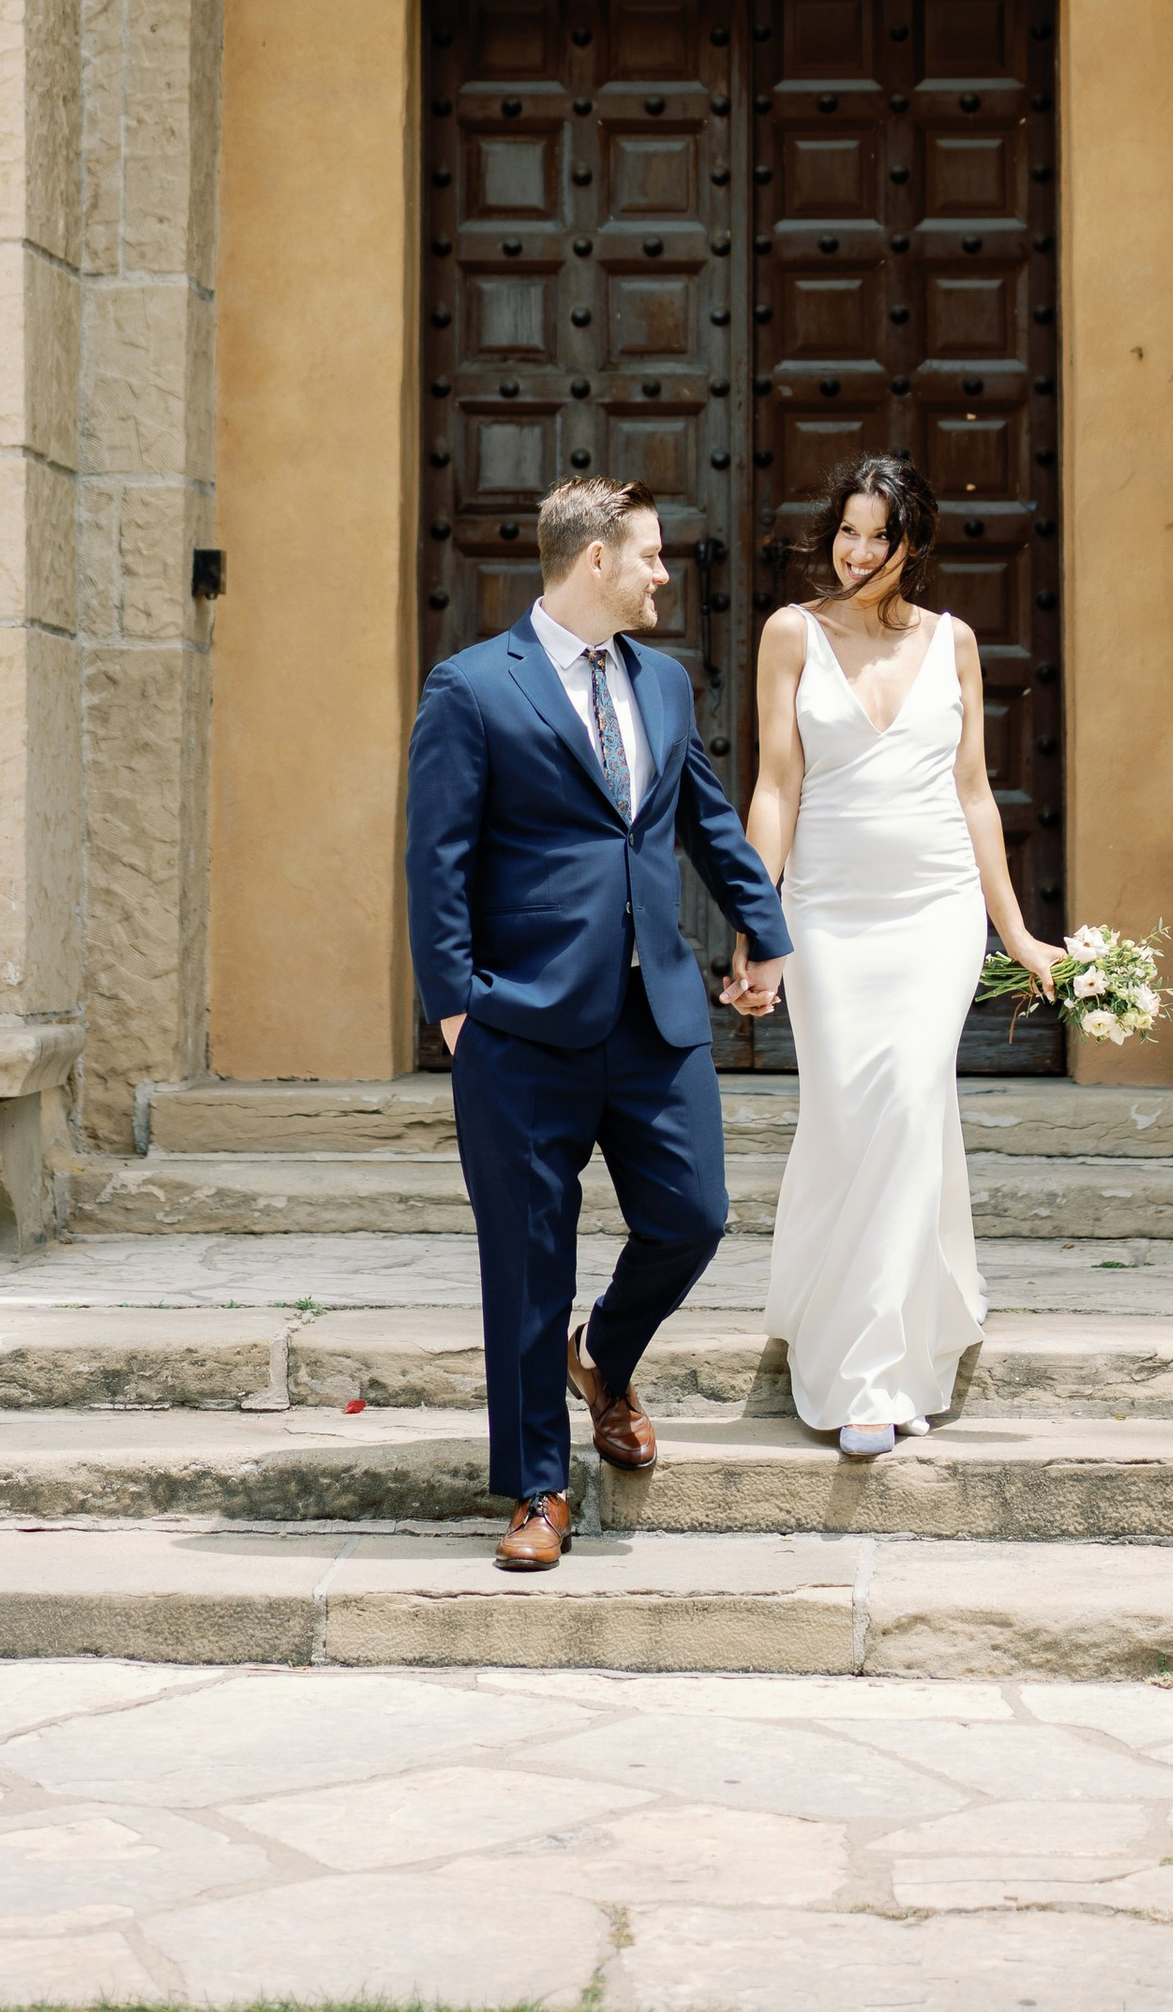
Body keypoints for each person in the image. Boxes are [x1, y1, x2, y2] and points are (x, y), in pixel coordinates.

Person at [405, 473, 794, 1571]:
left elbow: (706, 820)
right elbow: (435, 860)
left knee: (694, 1216)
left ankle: (605, 1358)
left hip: (652, 1012)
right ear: (595, 560)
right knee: (529, 1261)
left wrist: (762, 930)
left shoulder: (663, 683)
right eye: (651, 555)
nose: (665, 573)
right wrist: (456, 1012)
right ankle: (538, 1490)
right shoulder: (472, 687)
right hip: (520, 1022)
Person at [750, 455, 1059, 1457]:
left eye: (879, 536)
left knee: (909, 1105)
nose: (858, 551)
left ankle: (874, 1377)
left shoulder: (953, 641)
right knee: (850, 1115)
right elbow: (776, 788)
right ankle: (846, 1323)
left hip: (936, 913)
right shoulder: (791, 634)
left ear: (912, 543)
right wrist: (759, 928)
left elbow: (973, 792)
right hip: (828, 915)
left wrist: (1015, 931)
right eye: (847, 531)